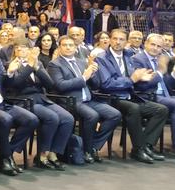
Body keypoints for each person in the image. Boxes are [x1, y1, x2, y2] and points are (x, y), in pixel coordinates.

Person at [91, 29, 169, 164]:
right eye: (115, 39)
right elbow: (106, 84)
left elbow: (135, 76)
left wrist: (142, 78)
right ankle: (138, 150)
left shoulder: (128, 55)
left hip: (130, 96)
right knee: (134, 108)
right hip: (111, 98)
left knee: (161, 109)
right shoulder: (102, 58)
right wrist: (132, 80)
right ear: (110, 40)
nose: (117, 42)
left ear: (126, 42)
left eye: (121, 39)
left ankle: (146, 146)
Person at [1, 38, 73, 170]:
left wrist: (37, 68)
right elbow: (16, 84)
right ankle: (42, 155)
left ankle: (53, 153)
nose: (20, 50)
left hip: (42, 99)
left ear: (30, 50)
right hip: (24, 101)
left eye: (24, 47)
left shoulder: (37, 63)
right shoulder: (9, 65)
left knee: (68, 118)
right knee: (52, 117)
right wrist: (29, 66)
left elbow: (50, 84)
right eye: (17, 48)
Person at [47, 35, 120, 163]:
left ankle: (92, 146)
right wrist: (84, 78)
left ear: (75, 48)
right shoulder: (55, 64)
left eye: (71, 45)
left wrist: (93, 73)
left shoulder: (82, 62)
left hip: (89, 99)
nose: (68, 48)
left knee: (115, 114)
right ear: (59, 48)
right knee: (92, 115)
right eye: (65, 45)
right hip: (71, 101)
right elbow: (60, 85)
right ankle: (87, 150)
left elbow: (96, 85)